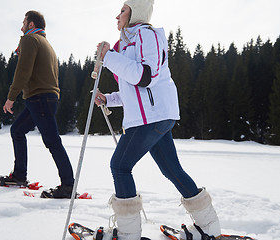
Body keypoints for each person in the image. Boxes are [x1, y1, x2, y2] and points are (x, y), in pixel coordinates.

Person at [93, 0, 221, 239]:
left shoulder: (146, 35)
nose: (117, 15)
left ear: (136, 12)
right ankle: (209, 226)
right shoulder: (130, 42)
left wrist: (108, 57)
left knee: (120, 166)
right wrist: (107, 99)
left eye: (123, 9)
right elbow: (134, 92)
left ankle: (128, 234)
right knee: (172, 169)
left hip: (150, 119)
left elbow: (145, 77)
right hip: (154, 116)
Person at [0, 10, 75, 199]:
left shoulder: (30, 40)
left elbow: (23, 71)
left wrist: (11, 96)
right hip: (44, 99)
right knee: (17, 130)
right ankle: (19, 175)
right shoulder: (46, 43)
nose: (21, 26)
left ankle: (68, 185)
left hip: (39, 98)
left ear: (31, 24)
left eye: (24, 22)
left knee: (52, 141)